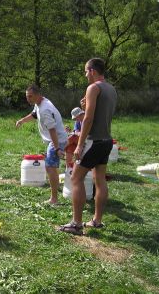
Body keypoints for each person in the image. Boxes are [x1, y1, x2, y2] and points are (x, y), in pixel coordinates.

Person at [59, 58, 117, 235]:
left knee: (76, 179)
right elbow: (99, 113)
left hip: (92, 141)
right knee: (99, 180)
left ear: (92, 70)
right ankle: (96, 221)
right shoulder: (111, 89)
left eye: (85, 71)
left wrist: (80, 144)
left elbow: (89, 119)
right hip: (106, 140)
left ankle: (76, 224)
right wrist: (86, 108)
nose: (85, 75)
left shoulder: (93, 88)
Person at [16, 84, 68, 205]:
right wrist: (22, 121)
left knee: (50, 167)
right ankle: (56, 191)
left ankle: (54, 199)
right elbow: (34, 115)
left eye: (30, 96)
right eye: (27, 96)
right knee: (51, 167)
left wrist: (57, 148)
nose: (28, 99)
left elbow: (52, 130)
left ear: (37, 95)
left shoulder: (45, 109)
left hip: (57, 140)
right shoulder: (40, 103)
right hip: (54, 139)